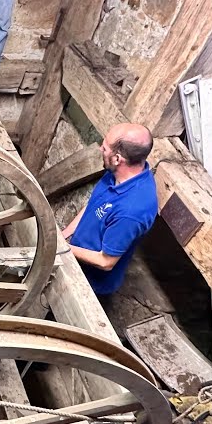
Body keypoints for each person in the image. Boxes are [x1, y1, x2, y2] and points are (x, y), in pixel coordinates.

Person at [60, 123, 157, 296]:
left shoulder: (132, 211)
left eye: (104, 148)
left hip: (90, 284)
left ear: (118, 159)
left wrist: (61, 247)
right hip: (73, 254)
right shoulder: (118, 173)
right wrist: (64, 235)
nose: (99, 150)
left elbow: (106, 261)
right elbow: (93, 205)